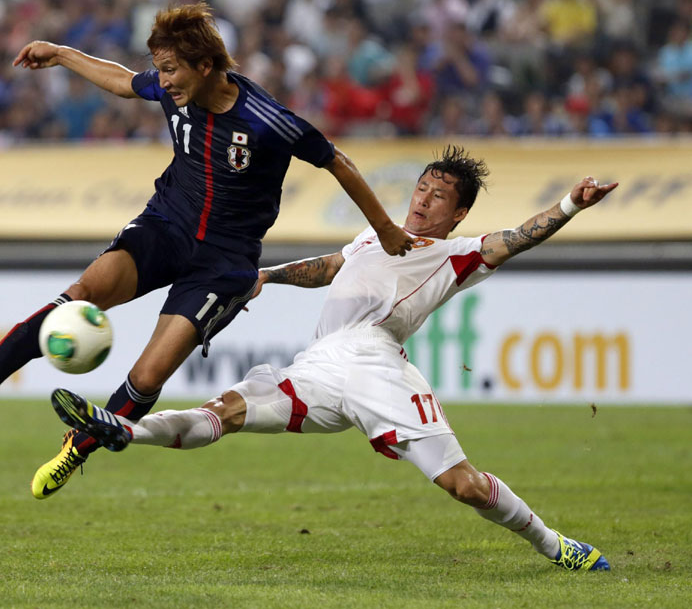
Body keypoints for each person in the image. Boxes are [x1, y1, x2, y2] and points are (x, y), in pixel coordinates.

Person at [49, 145, 617, 572]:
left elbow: (518, 236)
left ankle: (555, 545)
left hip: (376, 365)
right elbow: (330, 267)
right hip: (318, 365)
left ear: (459, 213)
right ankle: (122, 428)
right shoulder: (377, 237)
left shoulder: (455, 255)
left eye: (438, 196)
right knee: (229, 409)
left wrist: (571, 204)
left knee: (463, 486)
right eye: (421, 187)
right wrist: (266, 276)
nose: (422, 199)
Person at [0, 3, 414, 485]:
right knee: (84, 290)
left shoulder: (267, 120)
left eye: (170, 70)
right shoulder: (170, 89)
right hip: (166, 224)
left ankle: (77, 449)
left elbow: (337, 161)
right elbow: (121, 81)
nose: (161, 81)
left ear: (206, 67)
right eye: (158, 69)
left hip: (224, 261)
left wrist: (387, 229)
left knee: (148, 376)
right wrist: (59, 53)